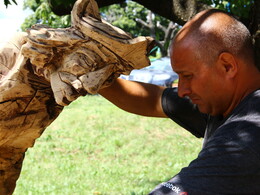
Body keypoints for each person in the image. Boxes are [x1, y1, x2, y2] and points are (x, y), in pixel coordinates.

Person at [99, 9, 260, 194]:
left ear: (227, 66)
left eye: (188, 76)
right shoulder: (225, 104)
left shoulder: (249, 135)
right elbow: (152, 99)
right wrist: (90, 76)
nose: (182, 90)